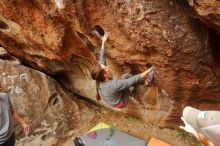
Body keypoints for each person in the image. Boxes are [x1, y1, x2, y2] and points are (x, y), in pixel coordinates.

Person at [91, 32, 155, 108]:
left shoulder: (100, 79)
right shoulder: (112, 85)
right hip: (121, 103)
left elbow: (102, 59)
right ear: (105, 75)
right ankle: (147, 83)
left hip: (112, 100)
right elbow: (131, 80)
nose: (107, 66)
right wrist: (148, 71)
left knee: (125, 81)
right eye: (105, 68)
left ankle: (130, 90)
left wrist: (103, 42)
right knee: (126, 76)